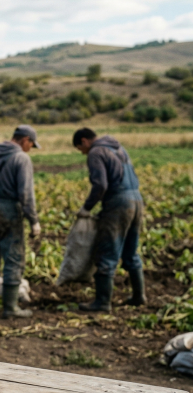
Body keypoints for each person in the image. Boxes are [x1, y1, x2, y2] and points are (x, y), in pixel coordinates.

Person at [73, 128, 145, 311]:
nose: (83, 153)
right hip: (136, 200)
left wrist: (87, 207)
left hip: (118, 203)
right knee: (131, 252)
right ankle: (139, 296)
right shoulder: (118, 148)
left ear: (84, 141)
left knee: (107, 252)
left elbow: (101, 184)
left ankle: (102, 302)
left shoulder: (96, 152)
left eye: (81, 149)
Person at [0, 125, 41, 319]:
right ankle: (10, 307)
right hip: (8, 210)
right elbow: (25, 194)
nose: (30, 149)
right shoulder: (21, 158)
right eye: (31, 145)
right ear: (25, 140)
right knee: (13, 258)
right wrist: (33, 220)